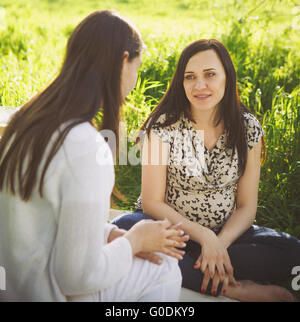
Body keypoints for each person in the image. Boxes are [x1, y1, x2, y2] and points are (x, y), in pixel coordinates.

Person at [0, 10, 189, 302]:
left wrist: (109, 234)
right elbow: (77, 278)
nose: (135, 80)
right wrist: (135, 240)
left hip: (11, 285)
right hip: (44, 292)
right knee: (165, 267)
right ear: (123, 61)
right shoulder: (85, 145)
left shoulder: (24, 123)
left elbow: (40, 219)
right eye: (137, 68)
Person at [112, 39, 300, 302]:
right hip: (168, 231)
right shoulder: (164, 126)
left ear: (227, 77)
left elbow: (247, 207)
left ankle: (205, 266)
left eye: (210, 74)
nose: (199, 85)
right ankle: (229, 287)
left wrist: (218, 245)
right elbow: (153, 203)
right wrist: (204, 237)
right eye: (190, 77)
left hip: (227, 236)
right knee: (123, 226)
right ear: (182, 82)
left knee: (293, 252)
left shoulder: (248, 129)